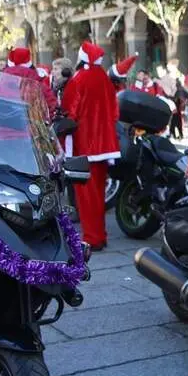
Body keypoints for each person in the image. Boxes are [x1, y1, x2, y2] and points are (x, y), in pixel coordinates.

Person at [62, 41, 120, 250]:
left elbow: (70, 112)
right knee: (98, 194)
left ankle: (92, 238)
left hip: (85, 145)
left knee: (85, 196)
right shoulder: (104, 78)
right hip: (105, 146)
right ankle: (100, 234)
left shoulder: (79, 79)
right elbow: (115, 112)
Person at [165, 59, 186, 139]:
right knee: (172, 116)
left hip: (177, 99)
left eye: (169, 65)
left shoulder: (179, 75)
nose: (167, 67)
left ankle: (177, 133)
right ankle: (172, 132)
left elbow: (181, 87)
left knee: (177, 116)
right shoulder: (168, 75)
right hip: (170, 98)